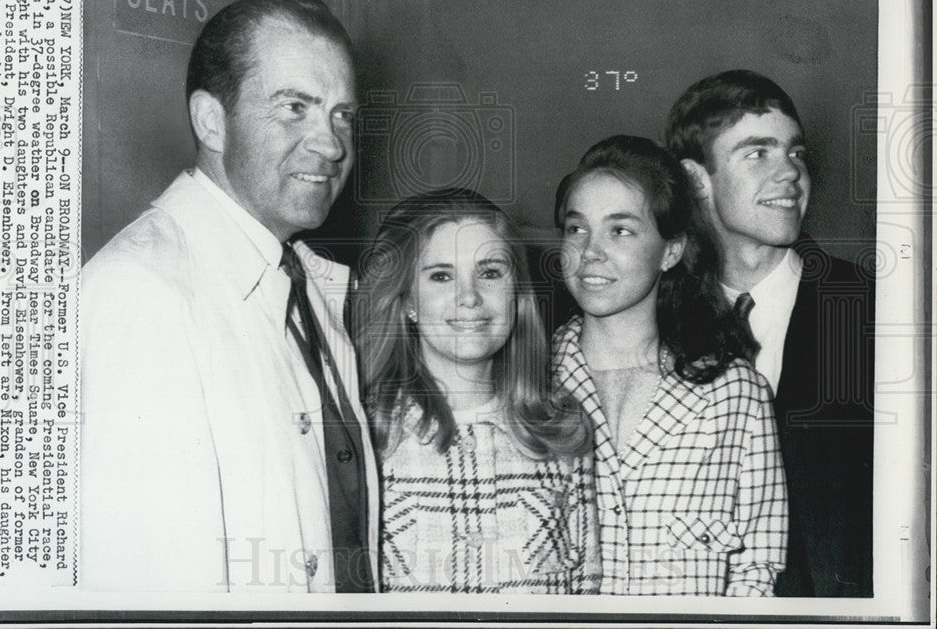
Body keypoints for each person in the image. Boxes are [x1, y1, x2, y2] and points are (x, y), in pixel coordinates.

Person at [79, 0, 377, 592]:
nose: (331, 143)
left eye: (341, 114)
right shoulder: (140, 292)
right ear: (212, 121)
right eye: (295, 106)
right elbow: (147, 589)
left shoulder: (305, 285)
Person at [665, 70, 874, 597]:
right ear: (696, 179)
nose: (790, 174)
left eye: (796, 153)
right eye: (758, 153)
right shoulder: (657, 323)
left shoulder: (877, 310)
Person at [552, 135, 787, 596]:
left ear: (671, 251)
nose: (590, 252)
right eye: (577, 229)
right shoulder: (525, 380)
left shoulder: (736, 395)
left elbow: (757, 569)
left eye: (620, 230)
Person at [356, 189, 601, 593]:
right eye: (441, 275)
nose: (469, 297)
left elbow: (587, 593)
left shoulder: (561, 431)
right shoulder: (368, 433)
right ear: (407, 302)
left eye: (489, 272)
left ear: (517, 294)